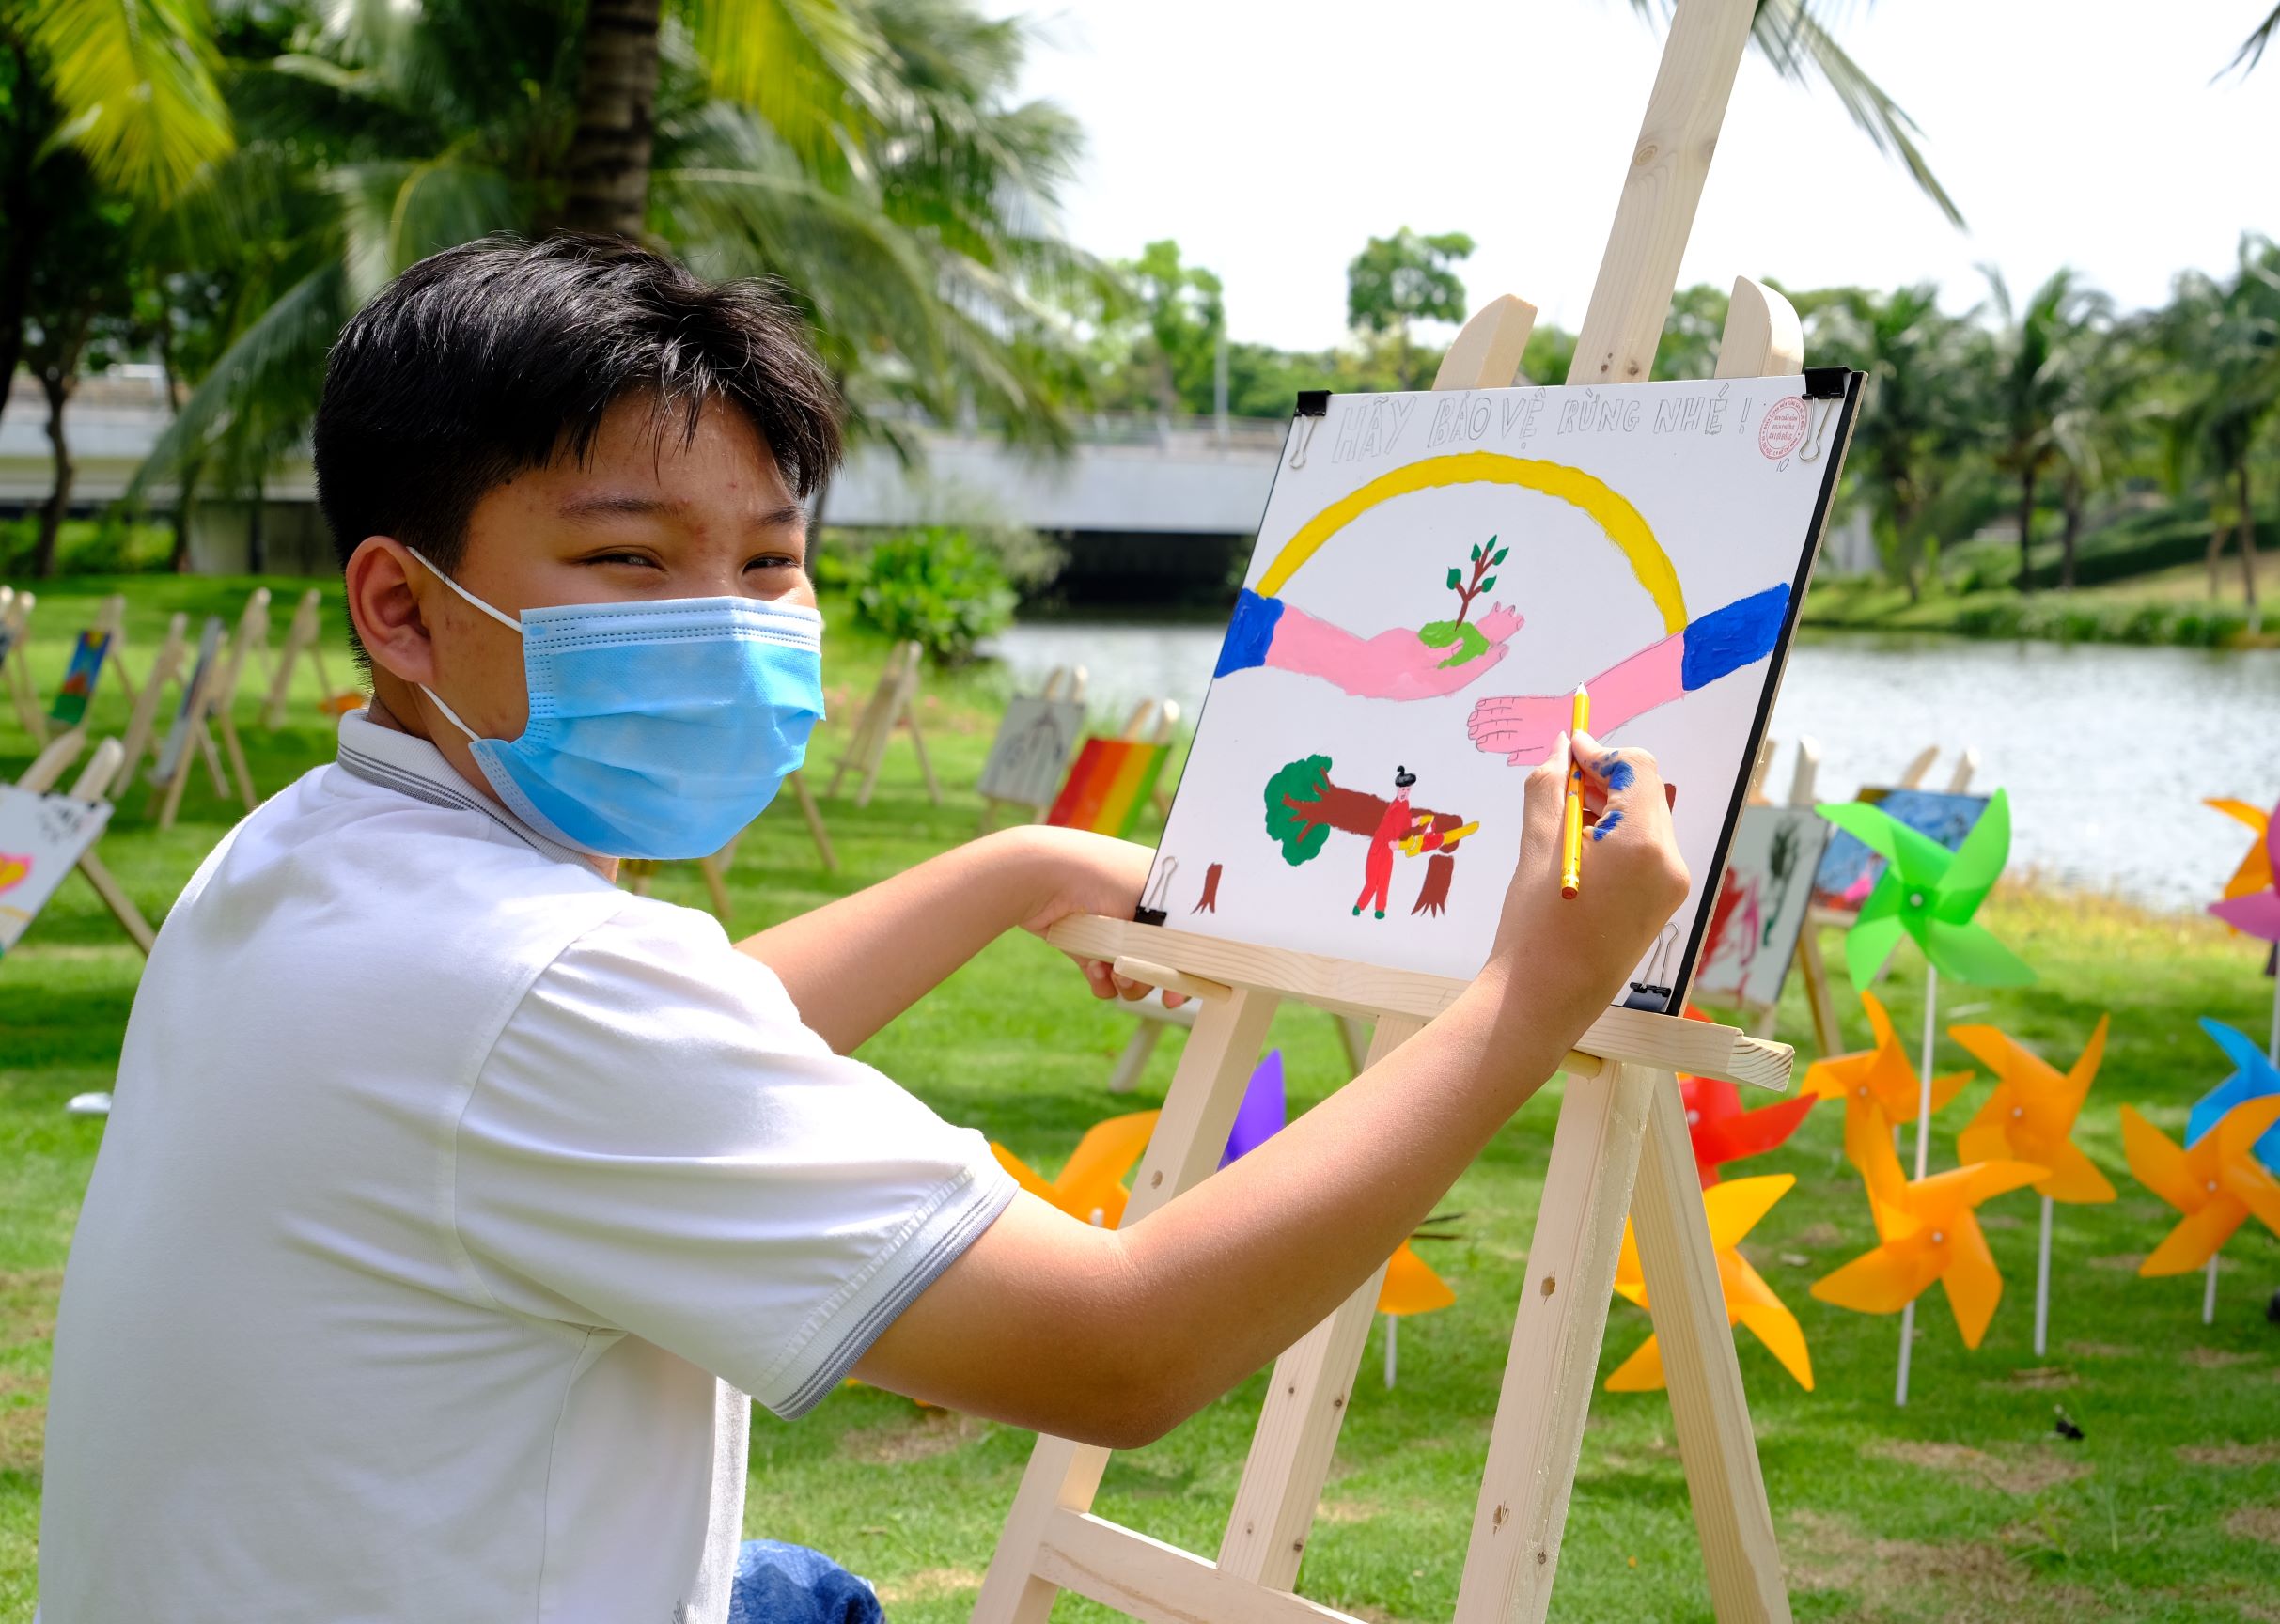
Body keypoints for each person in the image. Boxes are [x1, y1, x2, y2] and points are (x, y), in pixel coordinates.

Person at [36, 236, 1691, 1624]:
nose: (727, 623)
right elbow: (1116, 1353)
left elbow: (643, 1060)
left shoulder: (303, 853)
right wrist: (1523, 995)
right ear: (402, 606)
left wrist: (1015, 869)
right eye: (627, 558)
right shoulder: (553, 989)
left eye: (770, 562)